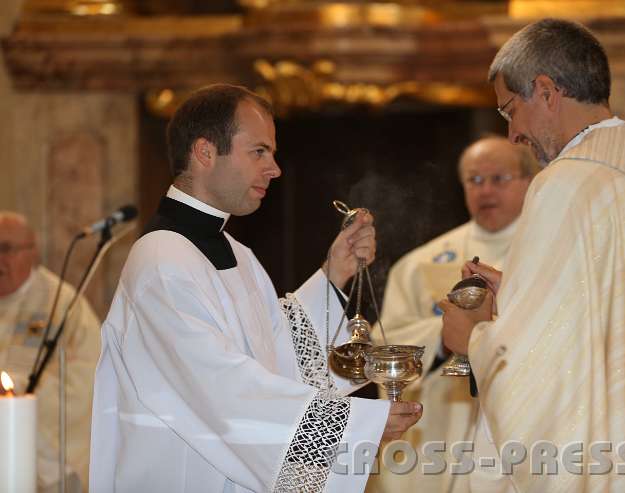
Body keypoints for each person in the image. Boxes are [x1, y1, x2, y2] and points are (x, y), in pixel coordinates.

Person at [440, 18, 625, 492]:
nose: (514, 133)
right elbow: (604, 313)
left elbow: (542, 373)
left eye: (510, 110)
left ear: (546, 91)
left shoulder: (566, 181)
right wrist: (516, 287)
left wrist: (474, 339)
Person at [89, 84, 422, 493]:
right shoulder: (160, 261)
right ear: (206, 152)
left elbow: (278, 356)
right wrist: (354, 426)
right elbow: (221, 391)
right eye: (259, 152)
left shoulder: (236, 252)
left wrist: (335, 275)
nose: (275, 169)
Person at [368, 137, 537, 493]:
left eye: (499, 178)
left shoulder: (545, 252)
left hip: (518, 436)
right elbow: (388, 350)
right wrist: (447, 336)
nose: (486, 190)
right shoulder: (420, 264)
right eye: (475, 180)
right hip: (436, 443)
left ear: (528, 180)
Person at [0, 211, 100, 492]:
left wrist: (20, 395)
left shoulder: (62, 304)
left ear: (32, 253)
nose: (0, 260)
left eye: (6, 249)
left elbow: (88, 380)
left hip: (42, 453)